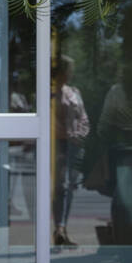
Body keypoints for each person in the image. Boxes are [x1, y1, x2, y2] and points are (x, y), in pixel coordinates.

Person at [51, 54, 89, 246]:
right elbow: (49, 122)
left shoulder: (74, 91)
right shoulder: (50, 93)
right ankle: (58, 228)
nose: (70, 73)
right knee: (60, 187)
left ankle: (62, 228)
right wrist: (66, 135)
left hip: (75, 146)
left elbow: (83, 117)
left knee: (70, 187)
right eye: (68, 69)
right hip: (59, 145)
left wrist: (80, 134)